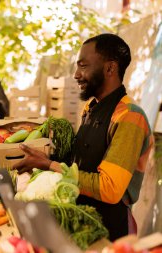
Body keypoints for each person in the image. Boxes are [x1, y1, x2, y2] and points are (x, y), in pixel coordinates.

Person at [14, 33, 153, 241]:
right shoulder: (90, 107)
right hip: (83, 220)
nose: (76, 75)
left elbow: (110, 188)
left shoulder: (130, 116)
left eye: (83, 66)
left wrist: (50, 165)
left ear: (110, 68)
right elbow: (80, 162)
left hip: (109, 231)